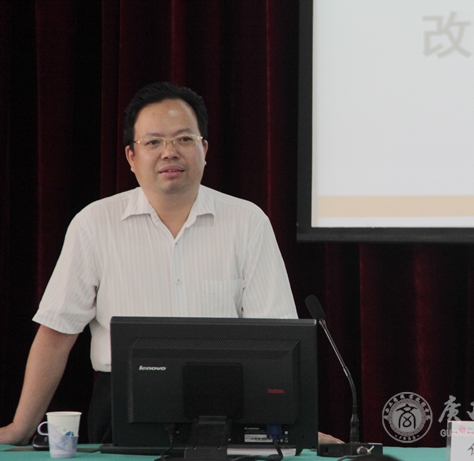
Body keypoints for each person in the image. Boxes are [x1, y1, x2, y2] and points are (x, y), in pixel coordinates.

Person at [0, 82, 340, 446]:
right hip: (123, 407)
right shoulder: (94, 224)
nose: (169, 152)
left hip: (226, 406)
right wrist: (20, 429)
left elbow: (277, 342)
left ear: (204, 150)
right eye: (153, 142)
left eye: (184, 139)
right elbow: (56, 335)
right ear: (131, 156)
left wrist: (294, 428)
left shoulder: (247, 222)